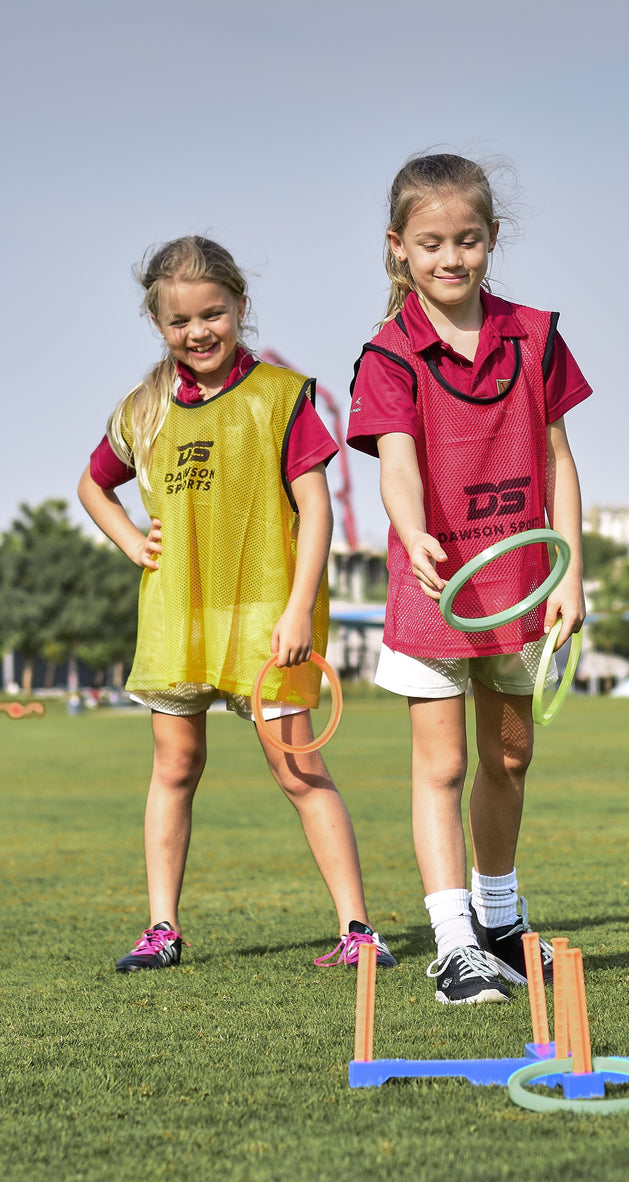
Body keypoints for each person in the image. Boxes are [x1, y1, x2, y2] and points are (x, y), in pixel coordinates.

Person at [78, 236, 395, 974]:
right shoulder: (143, 409)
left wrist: (298, 608)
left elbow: (316, 509)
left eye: (212, 314)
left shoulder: (281, 397)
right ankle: (161, 929)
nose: (198, 332)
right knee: (175, 767)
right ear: (159, 324)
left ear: (240, 306)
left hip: (266, 617)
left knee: (298, 771)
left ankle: (358, 930)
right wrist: (131, 542)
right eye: (180, 320)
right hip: (178, 618)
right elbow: (94, 484)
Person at [346, 153, 591, 1005]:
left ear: (491, 238)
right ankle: (455, 945)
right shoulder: (389, 353)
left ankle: (499, 920)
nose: (451, 258)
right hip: (436, 592)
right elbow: (396, 462)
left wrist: (572, 573)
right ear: (398, 246)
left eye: (468, 240)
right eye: (432, 243)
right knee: (442, 765)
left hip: (523, 586)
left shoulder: (535, 336)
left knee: (511, 757)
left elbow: (560, 461)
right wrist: (413, 530)